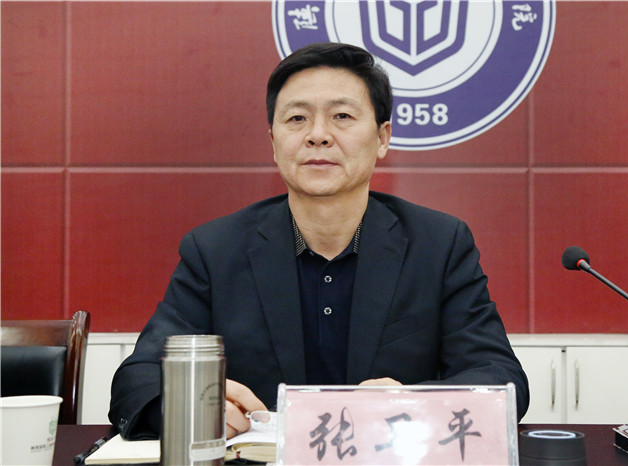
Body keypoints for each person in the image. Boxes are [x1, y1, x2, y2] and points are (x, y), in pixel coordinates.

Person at [109, 42, 529, 440]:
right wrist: (192, 406)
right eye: (297, 119)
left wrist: (413, 404)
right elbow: (138, 379)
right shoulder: (215, 250)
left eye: (342, 116)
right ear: (273, 143)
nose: (318, 135)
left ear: (382, 138)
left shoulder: (438, 244)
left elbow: (499, 377)